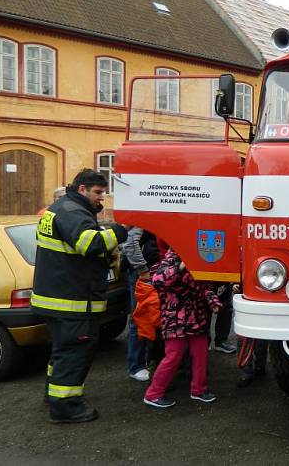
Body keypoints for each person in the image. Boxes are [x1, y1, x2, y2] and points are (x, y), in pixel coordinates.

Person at [32, 169, 128, 423]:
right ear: (82, 189)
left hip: (56, 297)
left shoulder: (60, 208)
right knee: (75, 350)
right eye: (98, 193)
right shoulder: (73, 212)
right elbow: (90, 243)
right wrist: (120, 230)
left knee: (62, 350)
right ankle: (65, 406)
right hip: (71, 299)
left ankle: (53, 394)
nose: (101, 199)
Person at [144, 248, 221, 408]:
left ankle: (199, 390)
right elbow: (158, 280)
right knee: (174, 356)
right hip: (175, 317)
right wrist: (180, 266)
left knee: (201, 354)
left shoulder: (203, 257)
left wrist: (213, 301)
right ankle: (153, 394)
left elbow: (206, 288)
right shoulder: (172, 257)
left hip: (197, 316)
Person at [122, 227, 160, 381]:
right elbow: (130, 244)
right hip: (144, 275)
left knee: (154, 317)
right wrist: (142, 270)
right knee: (139, 318)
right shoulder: (144, 215)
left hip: (155, 272)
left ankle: (150, 360)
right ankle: (136, 365)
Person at [213, 283, 237, 354]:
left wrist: (235, 283)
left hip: (225, 279)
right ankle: (204, 341)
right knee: (203, 307)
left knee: (226, 307)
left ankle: (221, 340)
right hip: (203, 277)